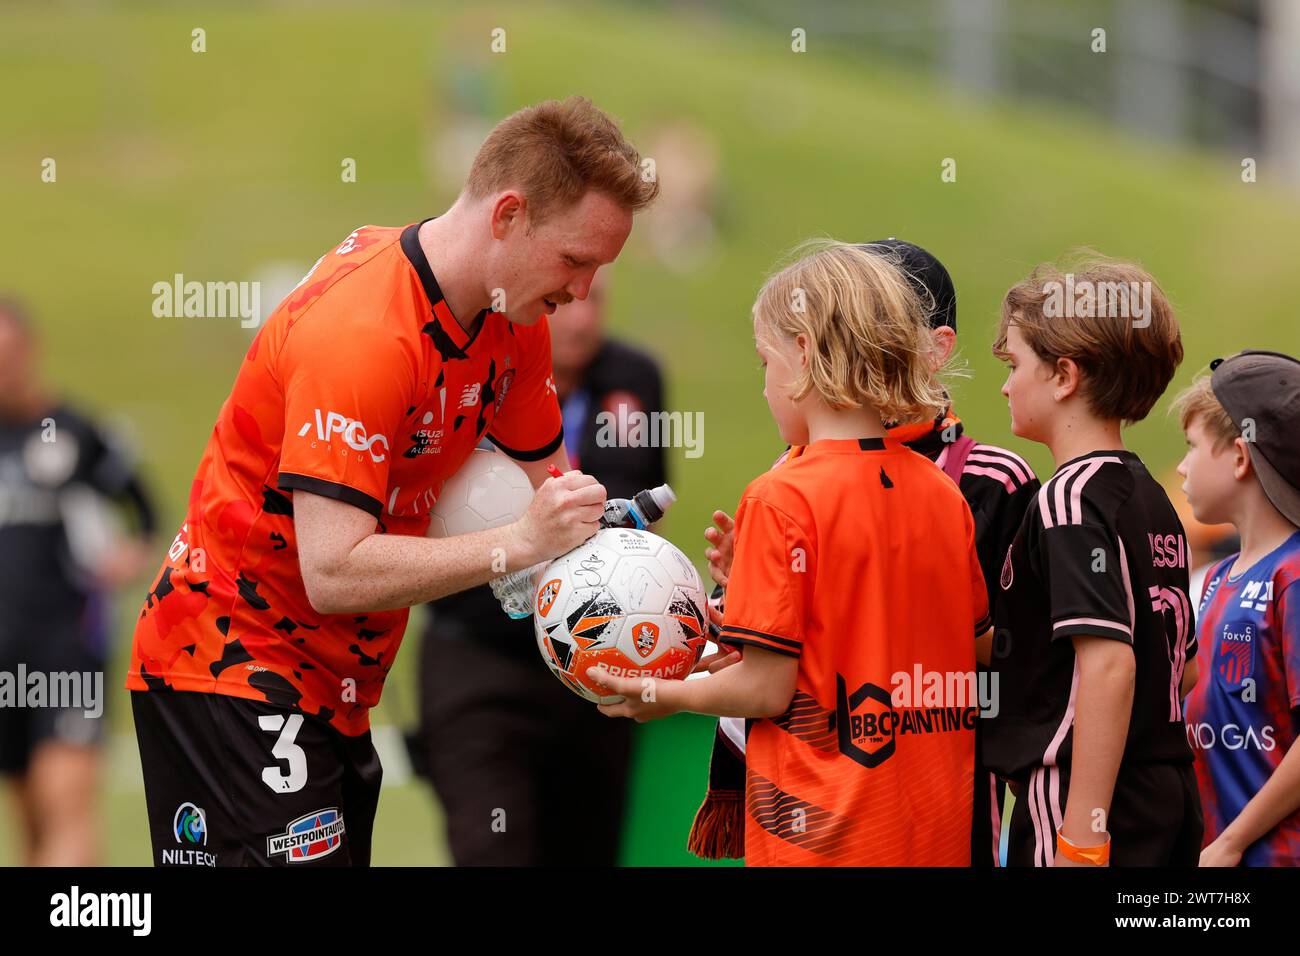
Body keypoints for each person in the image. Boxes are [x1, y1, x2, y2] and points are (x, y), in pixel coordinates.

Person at [127, 96, 658, 866]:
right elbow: (334, 571)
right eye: (576, 261)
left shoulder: (517, 324)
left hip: (339, 690)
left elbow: (564, 511)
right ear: (507, 216)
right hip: (230, 665)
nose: (583, 294)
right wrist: (515, 543)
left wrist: (661, 632)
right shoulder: (365, 335)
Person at [591, 241, 991, 866]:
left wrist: (663, 694)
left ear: (804, 354)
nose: (764, 384)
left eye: (764, 362)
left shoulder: (782, 495)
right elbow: (954, 645)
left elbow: (766, 689)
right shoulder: (943, 494)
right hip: (933, 835)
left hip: (823, 840)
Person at [689, 240, 1039, 866]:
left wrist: (660, 696)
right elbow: (791, 644)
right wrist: (740, 596)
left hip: (932, 787)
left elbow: (1006, 652)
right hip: (821, 789)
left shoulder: (989, 481)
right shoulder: (793, 469)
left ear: (935, 348)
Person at [415, 270, 667, 865]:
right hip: (478, 655)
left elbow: (633, 508)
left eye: (596, 301)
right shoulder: (466, 377)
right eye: (565, 304)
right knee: (492, 845)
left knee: (589, 850)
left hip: (597, 659)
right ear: (529, 307)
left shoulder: (632, 378)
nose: (580, 318)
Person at [983, 254, 1202, 866]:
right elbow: (1180, 669)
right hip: (1167, 793)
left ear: (1064, 377)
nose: (1004, 385)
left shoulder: (1069, 499)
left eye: (1015, 364)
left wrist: (1082, 839)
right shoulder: (1151, 497)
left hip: (1081, 799)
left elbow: (1108, 667)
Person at [0, 297, 157, 865]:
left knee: (66, 803)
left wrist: (128, 556)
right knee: (32, 819)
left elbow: (148, 512)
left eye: (8, 355)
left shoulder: (73, 432)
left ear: (30, 353)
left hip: (67, 650)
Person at [1175, 352, 1300, 866]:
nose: (1181, 465)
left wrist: (1230, 841)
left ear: (1240, 457)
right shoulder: (1220, 578)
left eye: (1192, 447)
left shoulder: (1291, 577)